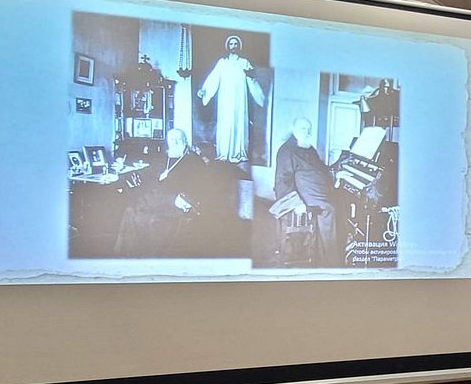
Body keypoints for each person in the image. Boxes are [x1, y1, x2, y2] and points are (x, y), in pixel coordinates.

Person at [114, 129, 206, 257]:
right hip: (157, 199)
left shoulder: (194, 161)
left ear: (185, 141)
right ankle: (128, 255)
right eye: (171, 139)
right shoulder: (163, 157)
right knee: (131, 211)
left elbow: (199, 186)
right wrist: (128, 173)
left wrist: (181, 199)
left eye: (178, 139)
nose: (175, 142)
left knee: (154, 220)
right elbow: (149, 173)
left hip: (176, 202)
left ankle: (154, 257)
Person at [274, 117, 342, 267]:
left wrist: (336, 174)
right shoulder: (286, 150)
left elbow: (321, 169)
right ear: (293, 129)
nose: (308, 132)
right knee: (329, 209)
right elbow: (282, 181)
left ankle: (325, 256)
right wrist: (296, 203)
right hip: (305, 198)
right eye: (303, 128)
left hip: (319, 192)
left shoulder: (308, 148)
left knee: (341, 203)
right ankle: (331, 263)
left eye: (309, 129)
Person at [198, 34, 264, 163]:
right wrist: (204, 90)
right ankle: (225, 152)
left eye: (235, 44)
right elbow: (213, 79)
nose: (233, 46)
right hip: (225, 99)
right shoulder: (222, 63)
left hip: (240, 100)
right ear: (227, 46)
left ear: (239, 46)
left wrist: (257, 89)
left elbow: (252, 80)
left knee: (239, 123)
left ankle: (238, 152)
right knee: (226, 123)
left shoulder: (244, 62)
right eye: (231, 44)